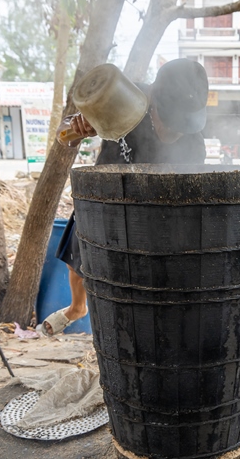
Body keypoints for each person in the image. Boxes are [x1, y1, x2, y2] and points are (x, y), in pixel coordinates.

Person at [37, 59, 209, 335]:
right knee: (79, 260)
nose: (175, 133)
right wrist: (78, 128)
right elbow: (63, 134)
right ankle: (78, 307)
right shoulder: (123, 99)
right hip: (104, 197)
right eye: (170, 122)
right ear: (153, 97)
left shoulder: (194, 144)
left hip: (148, 212)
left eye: (183, 126)